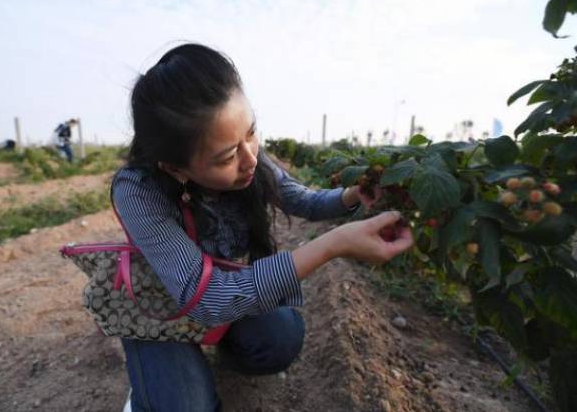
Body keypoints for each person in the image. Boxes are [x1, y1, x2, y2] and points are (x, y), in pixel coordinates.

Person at [111, 43, 414, 412]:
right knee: (184, 406)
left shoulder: (249, 157)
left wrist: (352, 195)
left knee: (280, 337)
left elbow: (303, 200)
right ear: (175, 169)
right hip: (160, 304)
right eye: (226, 156)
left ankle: (215, 356)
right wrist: (332, 245)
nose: (250, 159)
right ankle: (155, 383)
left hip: (214, 299)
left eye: (251, 133)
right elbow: (203, 296)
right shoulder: (138, 189)